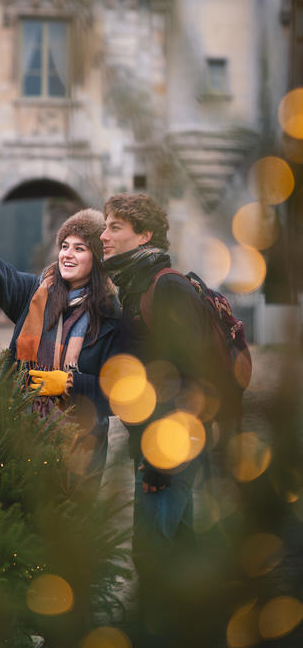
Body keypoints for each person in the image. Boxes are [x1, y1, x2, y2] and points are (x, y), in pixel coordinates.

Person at [0, 208, 123, 491]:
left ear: (97, 258)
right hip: (21, 436)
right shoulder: (35, 293)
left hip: (80, 449)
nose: (68, 254)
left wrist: (71, 384)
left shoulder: (110, 315)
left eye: (80, 248)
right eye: (64, 246)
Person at [100, 193, 223, 574]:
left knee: (152, 555)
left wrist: (161, 460)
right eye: (105, 226)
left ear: (144, 235)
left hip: (170, 447)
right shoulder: (134, 287)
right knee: (182, 550)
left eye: (115, 227)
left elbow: (197, 377)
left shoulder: (167, 287)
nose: (104, 236)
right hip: (154, 444)